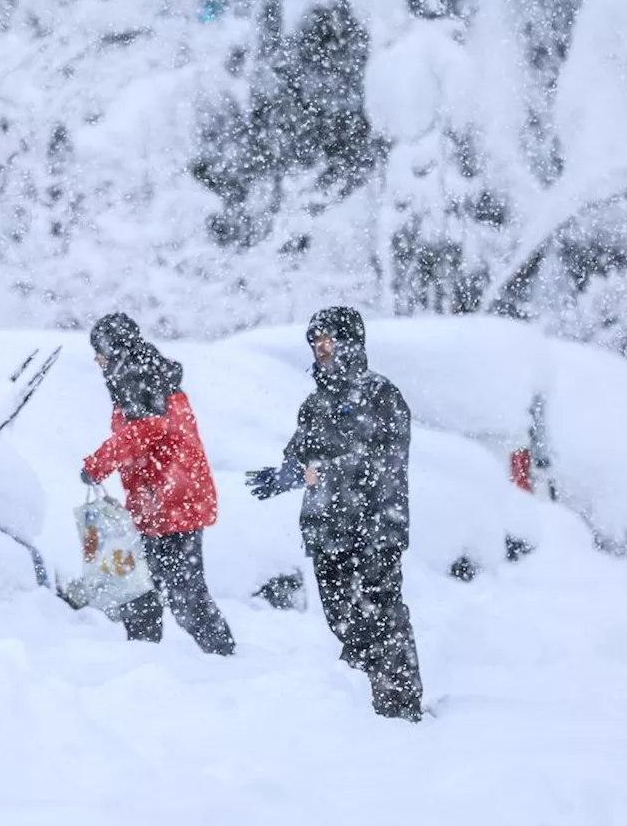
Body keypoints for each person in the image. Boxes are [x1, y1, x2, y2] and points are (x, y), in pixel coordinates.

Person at [245, 306, 423, 720]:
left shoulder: (382, 395)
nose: (320, 348)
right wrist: (287, 472)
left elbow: (382, 461)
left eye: (328, 339)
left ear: (350, 342)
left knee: (382, 616)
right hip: (327, 531)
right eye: (315, 341)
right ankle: (361, 708)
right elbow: (301, 452)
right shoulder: (316, 403)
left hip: (376, 527)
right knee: (344, 621)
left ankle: (400, 704)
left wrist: (319, 472)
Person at [81, 313, 236, 657]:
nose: (99, 361)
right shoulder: (143, 372)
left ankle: (226, 660)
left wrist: (99, 463)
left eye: (100, 352)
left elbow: (147, 430)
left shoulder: (138, 375)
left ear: (113, 348)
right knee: (141, 590)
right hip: (160, 501)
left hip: (173, 501)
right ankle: (144, 659)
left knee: (185, 597)